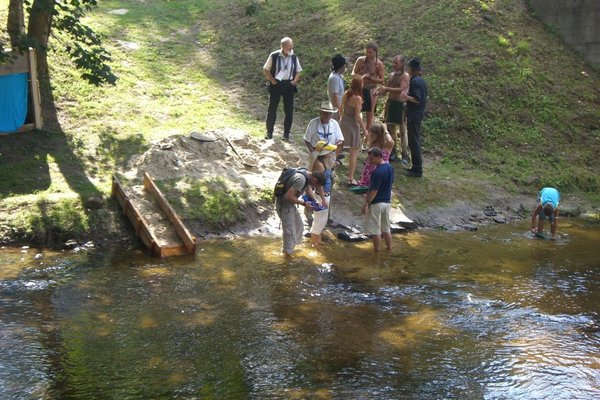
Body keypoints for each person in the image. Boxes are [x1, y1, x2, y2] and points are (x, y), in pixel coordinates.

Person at [275, 168, 326, 255]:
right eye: (316, 185)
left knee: (299, 226)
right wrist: (304, 203)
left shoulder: (307, 175)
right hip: (285, 206)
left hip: (291, 205)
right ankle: (287, 254)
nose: (315, 188)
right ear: (314, 179)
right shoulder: (301, 180)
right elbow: (288, 196)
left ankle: (292, 249)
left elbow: (308, 187)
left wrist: (314, 200)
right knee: (289, 233)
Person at [263, 37, 302, 141]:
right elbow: (266, 69)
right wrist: (272, 80)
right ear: (283, 46)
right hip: (276, 84)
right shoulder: (274, 55)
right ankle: (269, 132)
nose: (291, 48)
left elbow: (299, 70)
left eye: (291, 45)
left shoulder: (294, 56)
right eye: (289, 46)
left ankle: (286, 134)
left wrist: (294, 81)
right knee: (272, 109)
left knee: (289, 110)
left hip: (289, 84)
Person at [378, 54, 410, 164]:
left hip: (400, 104)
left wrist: (387, 88)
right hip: (391, 102)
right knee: (390, 128)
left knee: (402, 129)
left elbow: (402, 89)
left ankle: (405, 154)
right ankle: (393, 151)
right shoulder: (391, 75)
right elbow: (386, 88)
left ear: (402, 64)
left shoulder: (405, 76)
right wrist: (378, 92)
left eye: (396, 63)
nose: (394, 65)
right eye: (393, 62)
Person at [361, 147, 394, 252]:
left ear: (379, 157)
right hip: (387, 202)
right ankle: (389, 249)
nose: (370, 161)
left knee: (375, 230)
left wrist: (366, 203)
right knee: (386, 229)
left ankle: (377, 253)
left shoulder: (377, 172)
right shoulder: (390, 168)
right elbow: (390, 183)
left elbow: (374, 191)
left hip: (376, 204)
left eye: (371, 159)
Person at [401, 57, 427, 177]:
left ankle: (417, 168)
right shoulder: (420, 80)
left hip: (414, 115)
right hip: (416, 114)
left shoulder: (416, 81)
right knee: (414, 140)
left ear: (412, 69)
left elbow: (417, 99)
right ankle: (416, 166)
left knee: (414, 141)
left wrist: (406, 96)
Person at [339, 76, 367, 186]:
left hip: (343, 122)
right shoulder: (358, 99)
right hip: (352, 126)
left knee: (339, 146)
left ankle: (329, 167)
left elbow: (340, 108)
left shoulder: (346, 94)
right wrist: (365, 130)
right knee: (353, 152)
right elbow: (357, 117)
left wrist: (342, 117)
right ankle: (350, 178)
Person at [307, 146, 337, 246]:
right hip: (321, 196)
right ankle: (314, 245)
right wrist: (323, 200)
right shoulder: (319, 165)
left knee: (322, 221)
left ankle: (317, 242)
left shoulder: (324, 162)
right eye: (330, 151)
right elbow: (318, 184)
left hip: (325, 195)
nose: (332, 152)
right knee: (318, 221)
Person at [352, 41, 385, 131]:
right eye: (366, 52)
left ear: (375, 52)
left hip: (371, 89)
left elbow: (382, 80)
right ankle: (357, 133)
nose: (368, 54)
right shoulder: (361, 60)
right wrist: (360, 76)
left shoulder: (379, 64)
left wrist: (371, 78)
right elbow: (353, 73)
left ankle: (368, 137)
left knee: (370, 115)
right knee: (356, 111)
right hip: (360, 89)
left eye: (370, 52)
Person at [304, 101, 344, 168]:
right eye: (325, 113)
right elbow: (306, 140)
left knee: (327, 173)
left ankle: (335, 163)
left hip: (330, 152)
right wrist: (313, 153)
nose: (327, 116)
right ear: (320, 113)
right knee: (318, 171)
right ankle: (335, 164)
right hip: (316, 151)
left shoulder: (334, 124)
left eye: (329, 114)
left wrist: (335, 146)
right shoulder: (313, 123)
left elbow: (341, 140)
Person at [327, 54, 347, 121]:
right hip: (335, 110)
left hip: (341, 106)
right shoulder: (334, 78)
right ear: (341, 67)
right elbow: (334, 95)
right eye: (344, 65)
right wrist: (339, 111)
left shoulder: (339, 76)